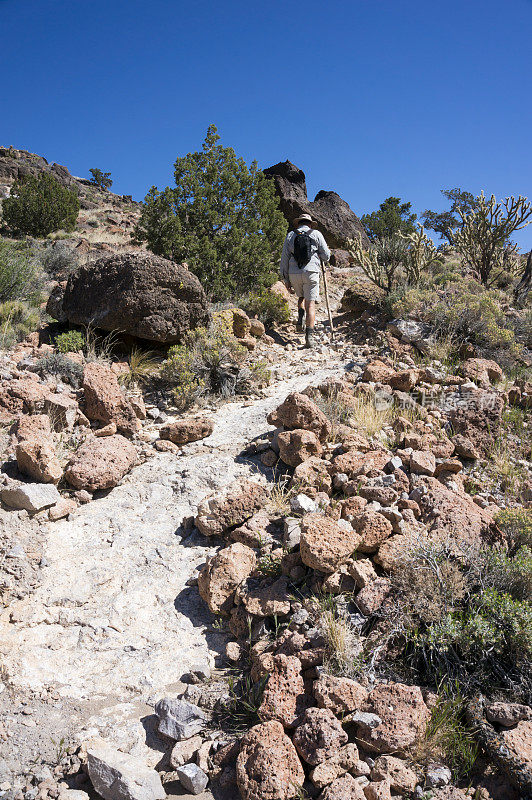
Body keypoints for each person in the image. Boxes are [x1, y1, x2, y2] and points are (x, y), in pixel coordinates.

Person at [280, 213, 330, 348]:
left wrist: (285, 279)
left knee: (301, 296)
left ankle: (300, 316)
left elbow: (284, 258)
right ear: (309, 223)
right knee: (311, 304)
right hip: (311, 272)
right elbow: (326, 256)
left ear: (299, 223)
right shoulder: (316, 234)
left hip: (294, 273)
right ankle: (309, 337)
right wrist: (319, 255)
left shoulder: (290, 235)